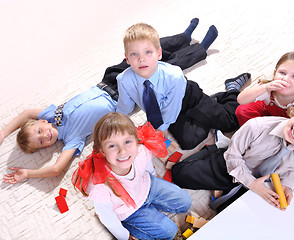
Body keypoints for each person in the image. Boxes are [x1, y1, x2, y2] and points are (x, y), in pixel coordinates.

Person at [0, 19, 212, 184]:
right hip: (122, 95)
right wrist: (28, 172)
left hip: (107, 80)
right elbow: (56, 169)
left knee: (141, 53)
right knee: (158, 69)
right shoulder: (71, 140)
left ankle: (183, 38)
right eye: (41, 143)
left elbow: (27, 112)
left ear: (42, 123)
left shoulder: (50, 114)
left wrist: (3, 132)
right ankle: (200, 49)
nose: (44, 137)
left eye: (38, 131)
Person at [172, 102, 294, 211]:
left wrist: (287, 185)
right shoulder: (257, 127)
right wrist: (251, 183)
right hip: (231, 164)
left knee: (230, 212)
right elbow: (233, 156)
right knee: (180, 175)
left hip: (261, 179)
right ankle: (214, 148)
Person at [116, 22, 250, 150]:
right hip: (164, 110)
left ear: (159, 54)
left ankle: (232, 89)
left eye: (148, 52)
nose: (141, 59)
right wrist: (119, 125)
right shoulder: (123, 80)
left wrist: (161, 128)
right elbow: (124, 107)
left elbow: (171, 110)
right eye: (134, 54)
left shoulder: (174, 76)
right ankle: (212, 103)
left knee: (230, 122)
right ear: (127, 58)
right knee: (190, 142)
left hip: (188, 97)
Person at [72, 112, 191, 240]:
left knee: (185, 202)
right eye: (112, 145)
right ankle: (131, 225)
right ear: (102, 150)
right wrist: (124, 236)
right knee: (169, 232)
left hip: (147, 186)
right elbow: (107, 217)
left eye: (127, 142)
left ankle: (152, 205)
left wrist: (156, 181)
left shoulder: (140, 151)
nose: (122, 151)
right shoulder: (100, 184)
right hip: (128, 210)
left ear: (136, 140)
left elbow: (147, 167)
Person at [235, 51, 294, 127]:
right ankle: (254, 134)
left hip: (288, 125)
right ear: (274, 73)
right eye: (282, 73)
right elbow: (240, 100)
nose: (285, 79)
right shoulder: (268, 89)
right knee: (242, 110)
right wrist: (265, 87)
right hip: (266, 115)